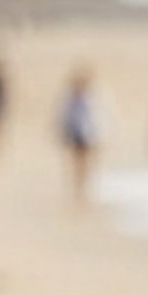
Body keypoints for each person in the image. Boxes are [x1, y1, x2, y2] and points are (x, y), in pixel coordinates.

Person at [59, 68, 98, 204]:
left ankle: (83, 188)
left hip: (87, 135)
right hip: (74, 134)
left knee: (85, 163)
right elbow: (64, 117)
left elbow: (96, 119)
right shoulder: (69, 99)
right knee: (76, 163)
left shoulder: (91, 98)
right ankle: (77, 189)